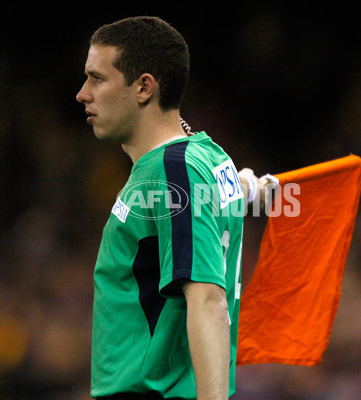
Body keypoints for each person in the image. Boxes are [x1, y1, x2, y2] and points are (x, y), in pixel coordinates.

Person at [76, 16, 267, 400]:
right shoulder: (208, 156)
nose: (83, 93)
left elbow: (208, 299)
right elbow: (209, 198)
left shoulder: (170, 171)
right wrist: (247, 188)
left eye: (98, 78)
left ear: (144, 87)